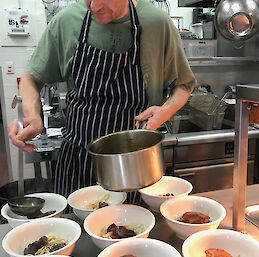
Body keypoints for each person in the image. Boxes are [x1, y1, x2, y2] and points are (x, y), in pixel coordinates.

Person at [8, 0, 196, 198]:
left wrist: (164, 112)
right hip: (77, 162)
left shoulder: (157, 23)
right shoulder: (67, 21)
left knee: (134, 225)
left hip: (136, 165)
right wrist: (33, 116)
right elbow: (30, 79)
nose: (95, 6)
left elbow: (184, 85)